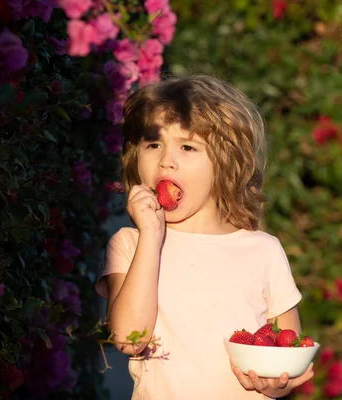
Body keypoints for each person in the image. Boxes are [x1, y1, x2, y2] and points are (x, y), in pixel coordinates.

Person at [95, 74, 314, 399]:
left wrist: (276, 383)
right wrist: (151, 237)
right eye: (153, 144)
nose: (166, 160)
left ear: (225, 163)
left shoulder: (263, 251)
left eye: (187, 146)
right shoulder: (130, 244)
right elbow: (129, 338)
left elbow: (287, 353)